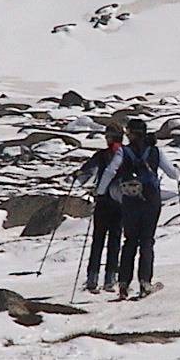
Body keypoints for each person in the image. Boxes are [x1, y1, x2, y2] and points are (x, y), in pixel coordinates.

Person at [96, 119, 180, 299]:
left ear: (132, 134)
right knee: (147, 241)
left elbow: (111, 171)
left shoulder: (123, 151)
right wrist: (177, 171)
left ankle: (124, 284)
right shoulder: (155, 151)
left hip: (130, 199)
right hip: (151, 199)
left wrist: (101, 192)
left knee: (130, 240)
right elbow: (172, 173)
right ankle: (145, 282)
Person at [75, 123, 124, 293]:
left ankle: (92, 278)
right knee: (115, 239)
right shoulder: (126, 153)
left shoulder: (102, 155)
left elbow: (86, 170)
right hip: (120, 201)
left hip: (103, 201)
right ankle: (110, 278)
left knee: (98, 239)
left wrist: (78, 175)